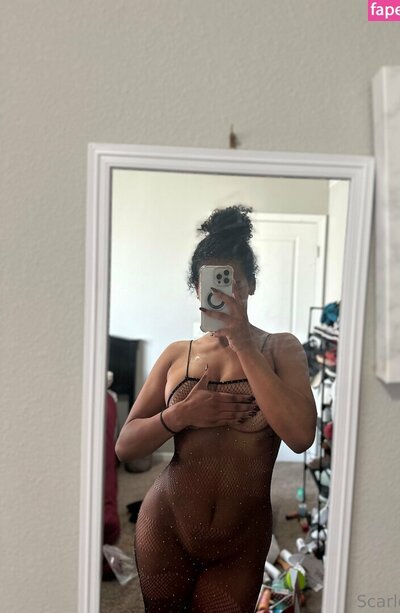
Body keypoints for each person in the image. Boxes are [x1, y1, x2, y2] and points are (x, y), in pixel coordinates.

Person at [115, 204, 317, 612]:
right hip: (166, 524)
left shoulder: (282, 348)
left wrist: (242, 344)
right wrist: (178, 416)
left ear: (251, 286)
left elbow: (300, 437)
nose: (226, 295)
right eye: (214, 284)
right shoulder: (177, 355)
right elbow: (126, 446)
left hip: (240, 541)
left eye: (235, 284)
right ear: (197, 288)